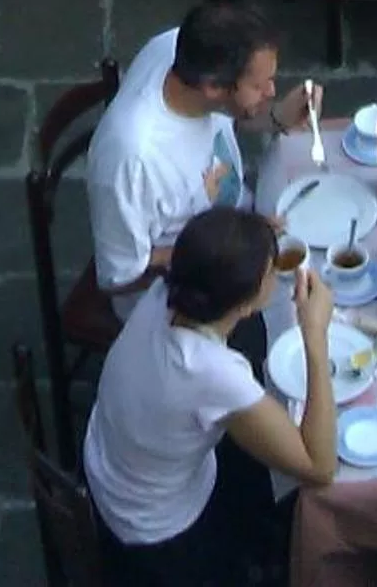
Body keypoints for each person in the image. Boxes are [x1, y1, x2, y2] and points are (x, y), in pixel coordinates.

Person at [83, 208, 337, 585]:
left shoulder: (165, 293)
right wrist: (315, 335)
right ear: (245, 303)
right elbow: (319, 466)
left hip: (108, 470)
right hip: (156, 536)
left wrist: (244, 239)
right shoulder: (211, 372)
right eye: (270, 271)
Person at [86, 0, 320, 319]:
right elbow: (120, 276)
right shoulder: (133, 160)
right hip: (182, 304)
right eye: (259, 85)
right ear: (212, 86)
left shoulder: (181, 49)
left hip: (242, 227)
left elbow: (227, 116)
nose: (271, 91)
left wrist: (278, 117)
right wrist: (235, 249)